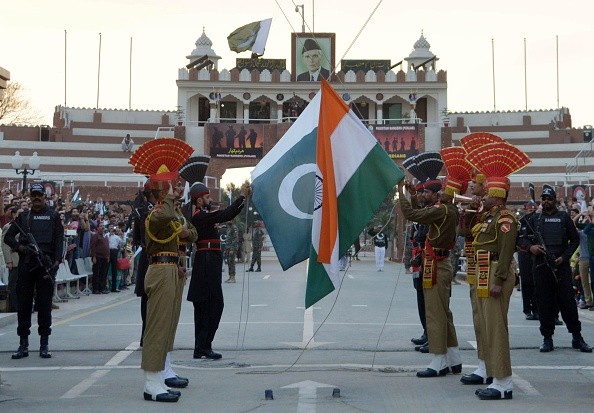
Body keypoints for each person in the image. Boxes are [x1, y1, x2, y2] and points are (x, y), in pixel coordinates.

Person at [129, 137, 197, 402]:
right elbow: (166, 218)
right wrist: (168, 197)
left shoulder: (168, 213)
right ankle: (151, 383)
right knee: (156, 327)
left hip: (171, 270)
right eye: (169, 188)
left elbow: (191, 233)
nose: (174, 191)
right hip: (159, 270)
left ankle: (159, 377)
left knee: (167, 325)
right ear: (158, 194)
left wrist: (172, 203)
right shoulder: (154, 215)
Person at [398, 158, 462, 378]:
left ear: (439, 194)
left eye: (430, 193)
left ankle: (439, 361)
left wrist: (401, 193)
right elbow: (422, 215)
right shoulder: (447, 209)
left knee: (435, 314)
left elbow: (413, 215)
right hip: (441, 263)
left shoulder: (441, 210)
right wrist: (413, 197)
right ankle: (454, 359)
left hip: (436, 264)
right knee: (445, 314)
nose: (426, 196)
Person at [519, 184, 592, 354]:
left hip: (561, 267)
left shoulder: (564, 217)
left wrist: (564, 257)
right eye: (543, 198)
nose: (546, 201)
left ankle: (577, 337)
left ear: (555, 200)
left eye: (549, 198)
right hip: (541, 266)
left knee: (568, 304)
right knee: (544, 304)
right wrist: (532, 248)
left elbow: (574, 240)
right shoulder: (533, 220)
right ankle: (547, 338)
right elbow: (522, 240)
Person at [187, 181, 250, 360]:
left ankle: (202, 346)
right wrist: (242, 197)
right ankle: (204, 346)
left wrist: (242, 201)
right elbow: (225, 214)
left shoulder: (203, 215)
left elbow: (225, 214)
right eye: (206, 197)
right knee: (212, 304)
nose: (210, 199)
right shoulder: (200, 216)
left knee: (205, 306)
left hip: (208, 260)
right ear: (198, 201)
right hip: (206, 260)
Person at [3, 183, 64, 359]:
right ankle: (23, 344)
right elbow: (7, 237)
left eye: (39, 195)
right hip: (27, 265)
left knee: (44, 306)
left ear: (45, 197)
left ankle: (44, 344)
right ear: (30, 197)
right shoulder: (24, 217)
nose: (36, 198)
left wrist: (56, 263)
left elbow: (59, 242)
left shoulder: (53, 216)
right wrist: (21, 248)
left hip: (45, 266)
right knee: (24, 306)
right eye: (34, 195)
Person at [518, 201, 539, 319]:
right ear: (525, 210)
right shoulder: (521, 222)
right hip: (524, 253)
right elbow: (519, 239)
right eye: (529, 211)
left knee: (536, 282)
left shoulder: (538, 220)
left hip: (536, 254)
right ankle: (527, 310)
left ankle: (537, 309)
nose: (531, 213)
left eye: (533, 211)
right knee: (526, 282)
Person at [90, 222, 110, 294]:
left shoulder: (105, 236)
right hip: (98, 257)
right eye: (101, 226)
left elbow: (107, 247)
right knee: (96, 273)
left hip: (104, 257)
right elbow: (93, 246)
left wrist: (108, 256)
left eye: (103, 226)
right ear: (97, 228)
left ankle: (102, 288)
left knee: (103, 273)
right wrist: (94, 257)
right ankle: (95, 289)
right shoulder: (95, 236)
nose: (102, 227)